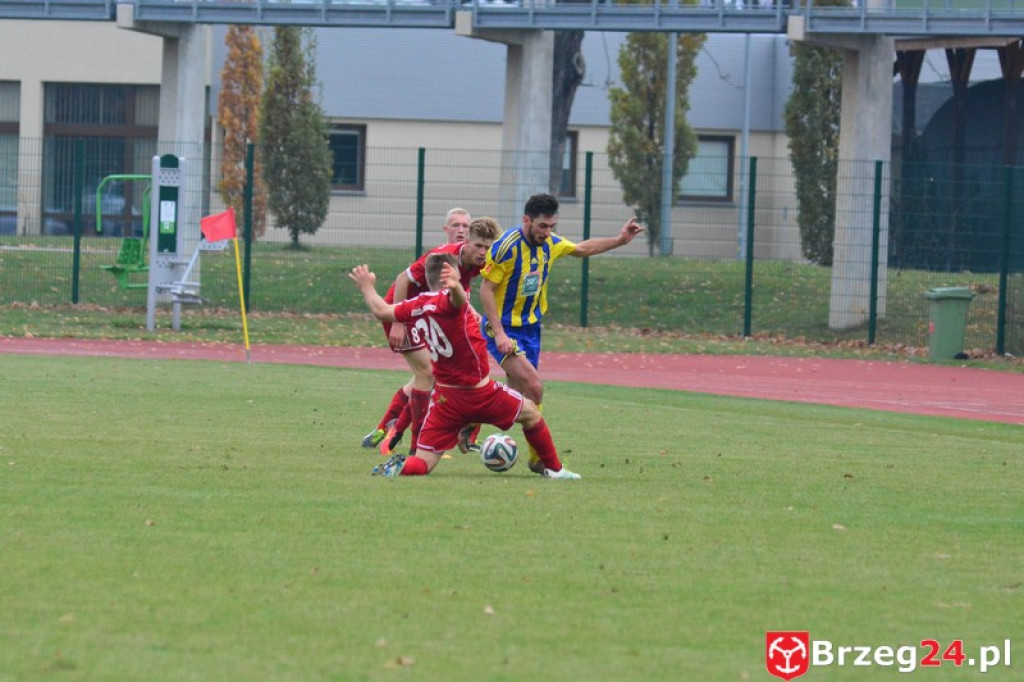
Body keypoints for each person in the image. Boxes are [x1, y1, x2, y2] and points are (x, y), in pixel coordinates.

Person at [348, 252, 581, 480]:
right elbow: (457, 299)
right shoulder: (449, 301)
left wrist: (367, 287)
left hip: (445, 401)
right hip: (481, 394)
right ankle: (555, 469)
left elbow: (381, 310)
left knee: (424, 463)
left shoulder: (417, 303)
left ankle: (399, 467)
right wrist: (456, 287)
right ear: (450, 276)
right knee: (531, 413)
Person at [478, 192, 643, 474]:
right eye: (543, 226)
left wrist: (620, 240)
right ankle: (539, 460)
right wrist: (500, 333)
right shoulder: (506, 247)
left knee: (517, 396)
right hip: (503, 329)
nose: (548, 232)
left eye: (552, 226)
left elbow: (581, 249)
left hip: (531, 330)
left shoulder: (550, 244)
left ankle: (470, 416)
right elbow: (485, 290)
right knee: (535, 387)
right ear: (526, 220)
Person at [362, 216, 501, 459]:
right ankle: (417, 447)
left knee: (429, 375)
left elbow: (460, 292)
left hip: (431, 313)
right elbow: (404, 279)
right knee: (428, 374)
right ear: (467, 242)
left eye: (488, 248)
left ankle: (386, 430)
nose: (482, 252)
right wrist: (398, 324)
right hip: (403, 311)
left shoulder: (482, 264)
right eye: (478, 246)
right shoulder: (443, 256)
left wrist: (474, 314)